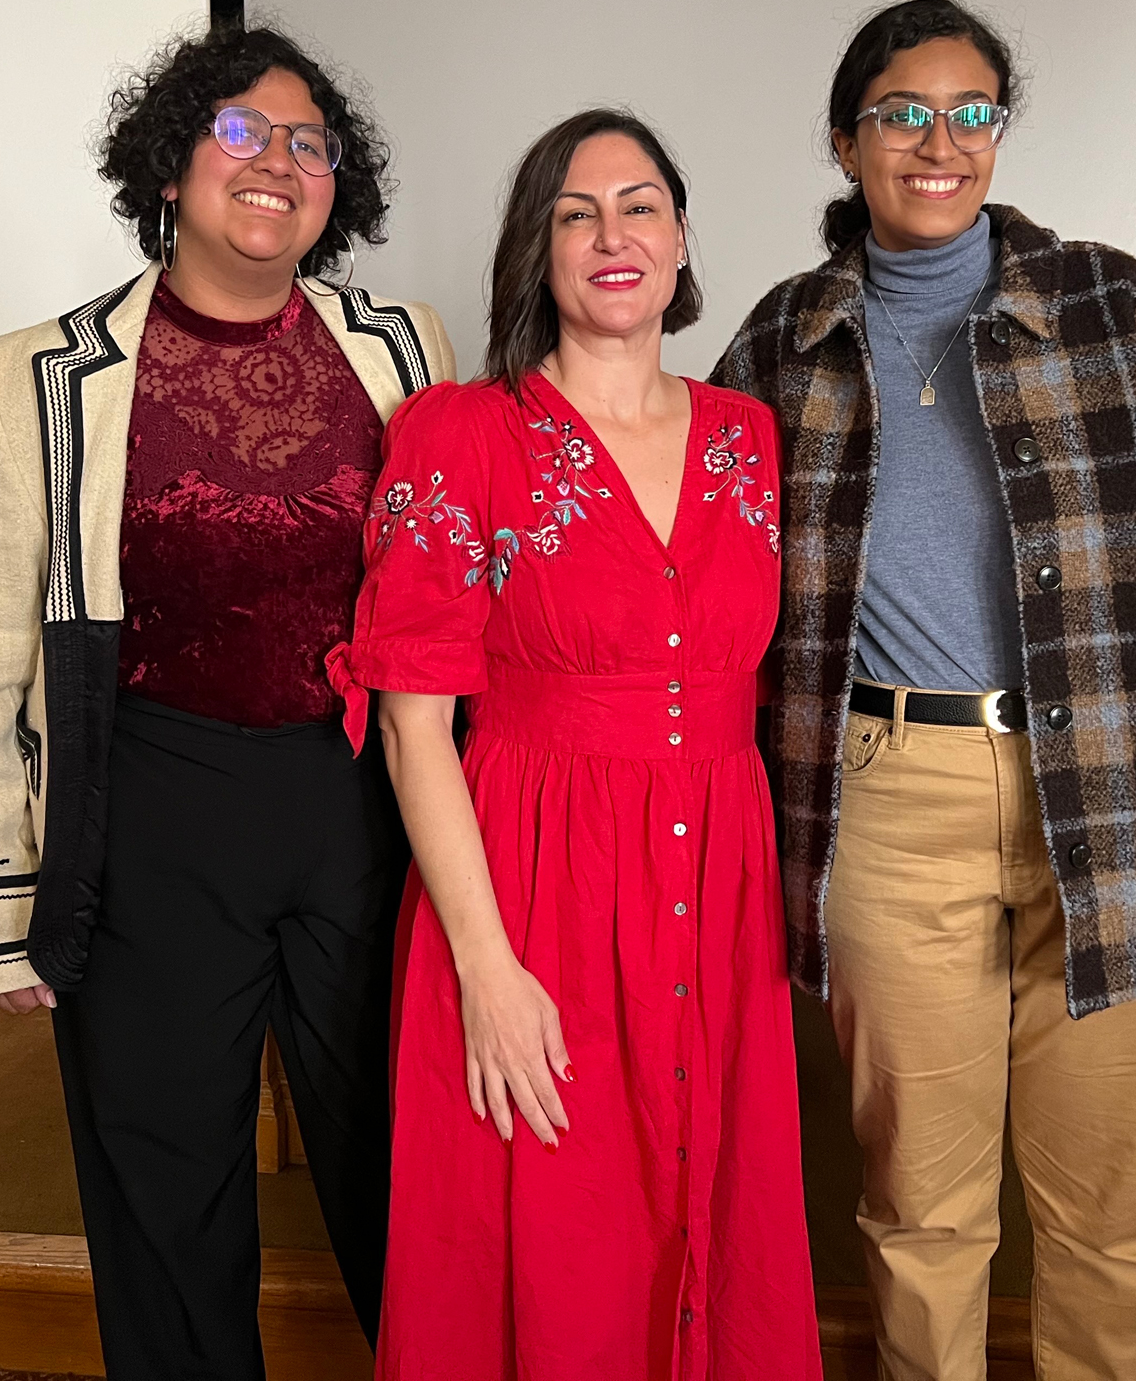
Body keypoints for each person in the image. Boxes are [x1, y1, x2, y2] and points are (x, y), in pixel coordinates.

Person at [710, 0, 1136, 1381]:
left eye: (972, 112)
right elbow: (716, 599)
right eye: (903, 113)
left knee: (1106, 1212)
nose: (940, 142)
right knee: (922, 1206)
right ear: (847, 141)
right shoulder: (779, 343)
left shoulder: (1115, 306)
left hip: (1121, 799)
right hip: (886, 803)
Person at [0, 19, 454, 1380]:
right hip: (150, 818)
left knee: (413, 1170)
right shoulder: (29, 376)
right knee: (168, 1195)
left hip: (364, 812)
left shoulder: (407, 347)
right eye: (239, 131)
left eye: (308, 143)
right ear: (171, 166)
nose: (276, 161)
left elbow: (451, 603)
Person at [348, 110, 822, 1379]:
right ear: (536, 251)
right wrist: (486, 970)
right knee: (552, 1230)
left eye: (640, 205)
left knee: (712, 1211)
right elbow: (410, 729)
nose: (612, 234)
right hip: (532, 886)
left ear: (678, 240)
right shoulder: (459, 435)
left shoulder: (749, 437)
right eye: (575, 212)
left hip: (718, 890)